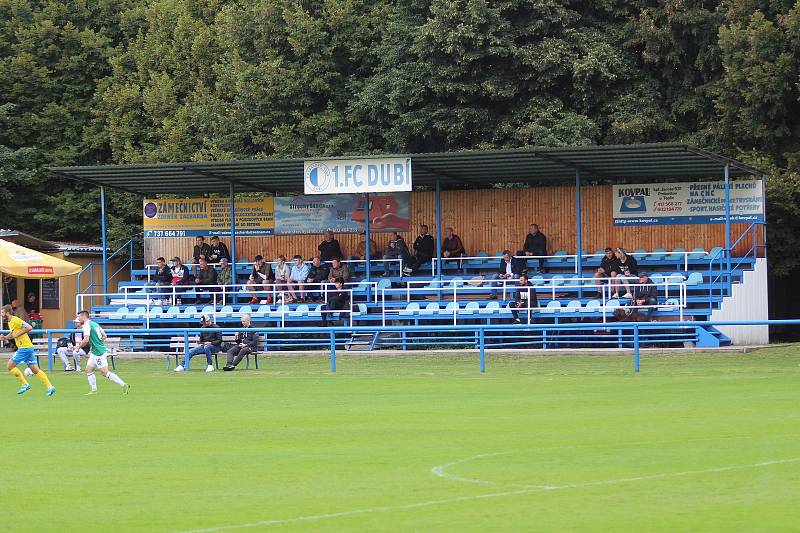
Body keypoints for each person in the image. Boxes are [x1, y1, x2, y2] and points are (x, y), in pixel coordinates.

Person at [0, 304, 55, 396]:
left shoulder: (15, 320)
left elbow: (29, 327)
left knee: (10, 366)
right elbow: (13, 333)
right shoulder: (10, 322)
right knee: (35, 370)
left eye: (2, 312)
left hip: (24, 348)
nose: (1, 314)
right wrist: (5, 337)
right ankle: (50, 387)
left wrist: (17, 334)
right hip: (28, 347)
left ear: (7, 313)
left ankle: (25, 384)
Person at [74, 310, 130, 395]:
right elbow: (104, 335)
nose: (78, 319)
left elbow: (86, 340)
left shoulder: (86, 326)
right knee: (88, 370)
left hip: (98, 352)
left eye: (79, 317)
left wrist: (78, 347)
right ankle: (94, 390)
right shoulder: (95, 324)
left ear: (83, 317)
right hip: (96, 351)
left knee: (104, 372)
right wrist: (98, 343)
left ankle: (124, 385)